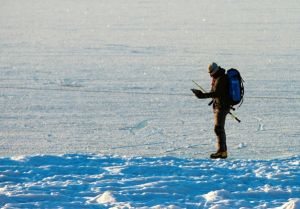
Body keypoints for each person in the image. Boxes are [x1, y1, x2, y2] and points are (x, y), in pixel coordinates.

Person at [191, 62, 231, 159]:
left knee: (218, 128)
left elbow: (216, 93)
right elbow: (216, 93)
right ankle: (222, 151)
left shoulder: (221, 78)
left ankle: (222, 152)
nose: (210, 75)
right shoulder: (219, 77)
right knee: (219, 128)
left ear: (215, 70)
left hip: (222, 106)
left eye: (211, 72)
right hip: (221, 105)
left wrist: (201, 95)